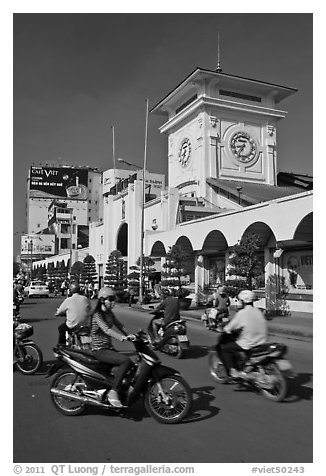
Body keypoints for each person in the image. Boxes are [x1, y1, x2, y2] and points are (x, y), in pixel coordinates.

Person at [90, 286, 134, 408]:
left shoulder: (109, 313)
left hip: (108, 348)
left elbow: (119, 325)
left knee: (131, 365)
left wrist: (130, 334)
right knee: (125, 361)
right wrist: (121, 338)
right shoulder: (97, 315)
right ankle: (113, 392)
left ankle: (119, 391)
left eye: (113, 299)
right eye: (110, 299)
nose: (113, 302)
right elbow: (106, 329)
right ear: (102, 300)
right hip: (99, 350)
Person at [218, 289, 268, 379]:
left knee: (225, 349)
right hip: (262, 341)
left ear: (243, 301)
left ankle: (233, 371)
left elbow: (229, 327)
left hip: (249, 342)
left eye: (240, 301)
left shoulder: (242, 313)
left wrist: (225, 329)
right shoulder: (259, 311)